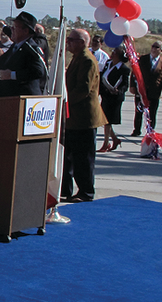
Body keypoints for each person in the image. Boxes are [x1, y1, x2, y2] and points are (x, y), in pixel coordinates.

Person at [61, 29, 107, 203]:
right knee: (70, 156)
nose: (68, 43)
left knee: (83, 158)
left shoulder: (87, 60)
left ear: (82, 42)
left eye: (71, 40)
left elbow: (83, 89)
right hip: (74, 118)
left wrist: (65, 102)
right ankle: (67, 189)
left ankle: (86, 191)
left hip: (84, 118)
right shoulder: (78, 58)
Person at [0, 11, 47, 97]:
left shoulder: (31, 48)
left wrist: (12, 75)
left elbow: (38, 71)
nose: (11, 29)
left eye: (15, 27)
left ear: (26, 31)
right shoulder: (16, 45)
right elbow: (8, 58)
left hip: (24, 99)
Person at [130, 40, 162, 136]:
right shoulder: (142, 59)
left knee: (152, 113)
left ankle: (150, 131)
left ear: (161, 50)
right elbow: (134, 73)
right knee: (139, 111)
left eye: (156, 47)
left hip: (154, 92)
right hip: (141, 90)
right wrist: (132, 86)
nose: (153, 49)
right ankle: (136, 130)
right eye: (153, 46)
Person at [98, 46, 131, 152]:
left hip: (115, 97)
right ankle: (115, 139)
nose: (112, 54)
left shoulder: (124, 69)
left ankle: (106, 143)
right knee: (104, 119)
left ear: (120, 56)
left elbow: (125, 85)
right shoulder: (108, 63)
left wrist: (118, 91)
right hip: (105, 95)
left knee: (108, 120)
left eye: (115, 52)